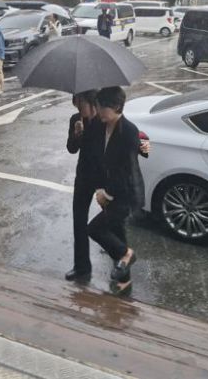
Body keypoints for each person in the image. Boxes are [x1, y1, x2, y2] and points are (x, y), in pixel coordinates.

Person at [87, 86, 148, 295]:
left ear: (116, 107)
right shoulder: (100, 124)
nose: (98, 110)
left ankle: (127, 254)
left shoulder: (129, 132)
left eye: (102, 107)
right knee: (116, 233)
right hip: (109, 189)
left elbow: (127, 171)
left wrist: (107, 194)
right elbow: (97, 156)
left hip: (126, 194)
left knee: (95, 229)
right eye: (98, 106)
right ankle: (125, 279)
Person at [65, 90, 101, 282]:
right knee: (78, 220)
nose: (78, 108)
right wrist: (77, 135)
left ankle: (121, 261)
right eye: (76, 104)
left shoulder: (104, 120)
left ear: (91, 103)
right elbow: (71, 149)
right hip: (84, 176)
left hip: (103, 177)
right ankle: (81, 267)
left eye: (81, 104)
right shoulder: (75, 119)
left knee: (111, 223)